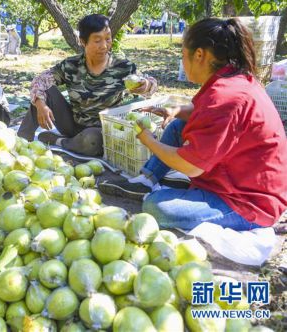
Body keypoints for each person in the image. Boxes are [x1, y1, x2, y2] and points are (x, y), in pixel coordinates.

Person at [101, 18, 287, 231]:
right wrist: (176, 111)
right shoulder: (231, 80)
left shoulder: (226, 97)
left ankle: (167, 192)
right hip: (239, 174)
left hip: (249, 202)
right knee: (178, 125)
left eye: (183, 54)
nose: (182, 61)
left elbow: (191, 166)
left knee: (156, 207)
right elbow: (209, 114)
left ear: (199, 55)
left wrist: (149, 141)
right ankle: (147, 179)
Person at [17, 14, 157, 156]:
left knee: (93, 141)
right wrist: (41, 104)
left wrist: (145, 85)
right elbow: (40, 80)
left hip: (103, 131)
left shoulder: (123, 67)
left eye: (108, 39)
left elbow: (150, 83)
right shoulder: (71, 65)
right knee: (42, 94)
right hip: (72, 124)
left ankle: (59, 141)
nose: (104, 46)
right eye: (97, 40)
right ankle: (20, 142)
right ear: (83, 41)